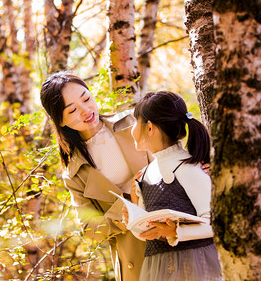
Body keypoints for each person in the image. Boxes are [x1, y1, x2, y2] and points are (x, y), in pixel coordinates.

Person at [40, 71, 149, 281]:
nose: (85, 110)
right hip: (135, 256)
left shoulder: (133, 121)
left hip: (177, 232)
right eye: (72, 110)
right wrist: (127, 208)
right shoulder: (74, 172)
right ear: (60, 121)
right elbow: (90, 230)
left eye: (86, 99)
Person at [126, 90, 222, 281]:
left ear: (150, 128)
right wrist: (133, 215)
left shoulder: (188, 168)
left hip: (196, 267)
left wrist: (175, 231)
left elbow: (217, 222)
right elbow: (147, 234)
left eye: (135, 121)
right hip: (159, 270)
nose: (132, 128)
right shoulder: (144, 175)